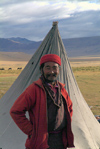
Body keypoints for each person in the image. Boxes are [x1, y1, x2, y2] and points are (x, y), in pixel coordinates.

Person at [10, 54, 75, 149]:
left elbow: (69, 108)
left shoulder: (62, 89)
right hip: (41, 140)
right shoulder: (33, 89)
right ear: (41, 70)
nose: (51, 71)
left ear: (59, 70)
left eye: (54, 68)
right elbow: (15, 111)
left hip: (60, 139)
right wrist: (32, 131)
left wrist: (65, 123)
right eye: (47, 68)